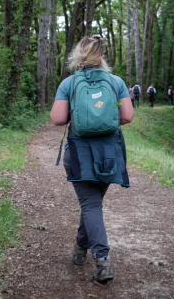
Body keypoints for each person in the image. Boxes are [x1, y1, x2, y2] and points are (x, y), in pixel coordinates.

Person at [50, 35, 134, 284]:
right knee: (92, 204)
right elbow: (128, 116)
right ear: (103, 57)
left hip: (80, 153)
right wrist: (106, 120)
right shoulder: (116, 82)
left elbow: (57, 119)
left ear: (78, 56)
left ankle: (103, 263)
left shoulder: (69, 84)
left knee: (90, 205)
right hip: (110, 152)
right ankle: (79, 247)